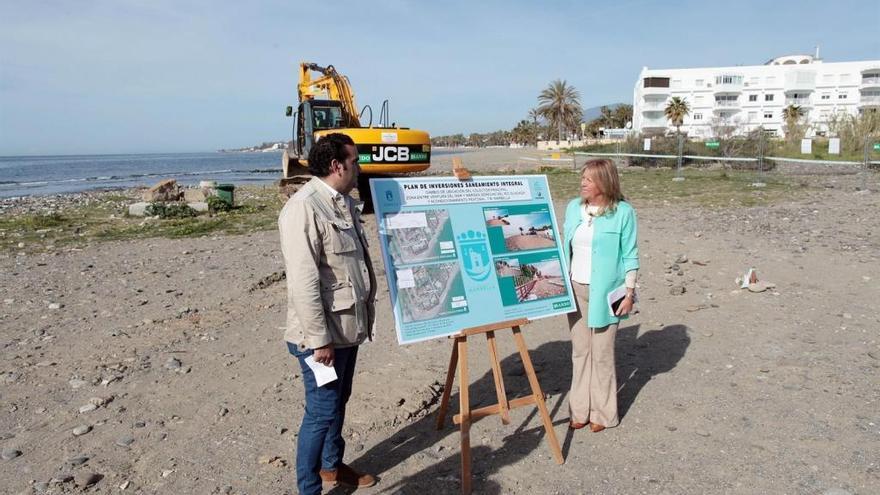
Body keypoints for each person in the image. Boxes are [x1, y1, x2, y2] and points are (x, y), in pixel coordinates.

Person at [278, 133, 377, 494]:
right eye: (355, 161)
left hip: (347, 329)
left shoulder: (343, 203)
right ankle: (310, 489)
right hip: (319, 340)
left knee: (338, 402)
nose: (359, 167)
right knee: (320, 412)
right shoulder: (304, 208)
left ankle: (332, 468)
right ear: (338, 166)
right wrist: (319, 341)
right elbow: (303, 283)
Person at [562, 158, 639, 433]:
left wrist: (629, 293)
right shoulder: (573, 208)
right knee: (580, 351)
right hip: (575, 289)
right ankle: (579, 410)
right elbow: (563, 247)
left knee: (602, 353)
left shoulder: (623, 213)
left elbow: (630, 255)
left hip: (608, 293)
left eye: (589, 179)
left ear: (604, 182)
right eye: (582, 178)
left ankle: (603, 414)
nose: (582, 183)